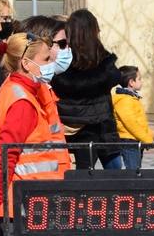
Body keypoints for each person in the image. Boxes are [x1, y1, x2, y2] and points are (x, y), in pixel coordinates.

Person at [0, 32, 73, 233]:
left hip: (27, 203)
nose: (51, 63)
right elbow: (4, 157)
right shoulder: (23, 102)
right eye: (45, 59)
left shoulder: (13, 87)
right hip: (23, 207)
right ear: (27, 64)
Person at [50, 9, 124, 170]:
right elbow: (115, 77)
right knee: (116, 176)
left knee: (78, 177)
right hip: (100, 127)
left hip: (70, 127)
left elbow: (59, 84)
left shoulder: (63, 60)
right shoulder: (102, 61)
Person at [111, 65, 153, 170]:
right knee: (133, 172)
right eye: (139, 79)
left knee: (136, 170)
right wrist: (146, 138)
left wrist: (148, 134)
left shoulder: (131, 97)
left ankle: (134, 186)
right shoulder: (125, 100)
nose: (141, 81)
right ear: (131, 82)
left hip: (136, 139)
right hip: (129, 141)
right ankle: (131, 186)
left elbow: (139, 120)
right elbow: (131, 123)